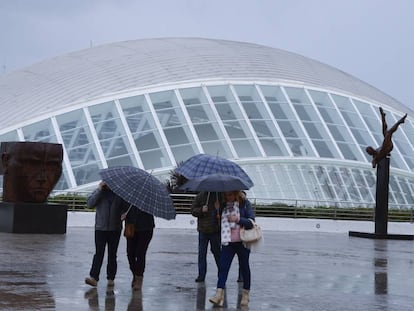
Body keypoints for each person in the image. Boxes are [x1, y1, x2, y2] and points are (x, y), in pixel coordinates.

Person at [209, 190, 255, 307]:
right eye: (225, 195)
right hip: (228, 242)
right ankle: (219, 294)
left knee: (244, 267)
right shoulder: (223, 205)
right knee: (223, 268)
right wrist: (216, 210)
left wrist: (238, 219)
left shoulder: (245, 204)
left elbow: (251, 222)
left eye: (229, 194)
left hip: (242, 242)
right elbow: (215, 223)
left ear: (235, 193)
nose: (227, 197)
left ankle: (246, 294)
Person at [85, 181, 127, 287]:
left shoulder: (120, 194)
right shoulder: (98, 192)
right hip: (100, 228)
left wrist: (124, 214)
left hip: (115, 228)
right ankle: (94, 277)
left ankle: (111, 278)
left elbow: (125, 207)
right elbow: (90, 204)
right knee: (99, 253)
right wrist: (99, 190)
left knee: (112, 254)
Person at [191, 191, 222, 283]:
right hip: (203, 230)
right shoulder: (200, 196)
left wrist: (219, 209)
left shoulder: (219, 195)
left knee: (217, 252)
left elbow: (226, 210)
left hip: (215, 230)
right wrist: (201, 210)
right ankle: (201, 275)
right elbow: (193, 210)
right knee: (202, 253)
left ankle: (221, 274)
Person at [122, 205, 155, 291]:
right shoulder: (129, 196)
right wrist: (122, 214)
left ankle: (139, 278)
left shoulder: (149, 197)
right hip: (131, 226)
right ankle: (135, 274)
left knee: (140, 253)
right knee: (130, 253)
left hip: (146, 228)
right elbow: (121, 207)